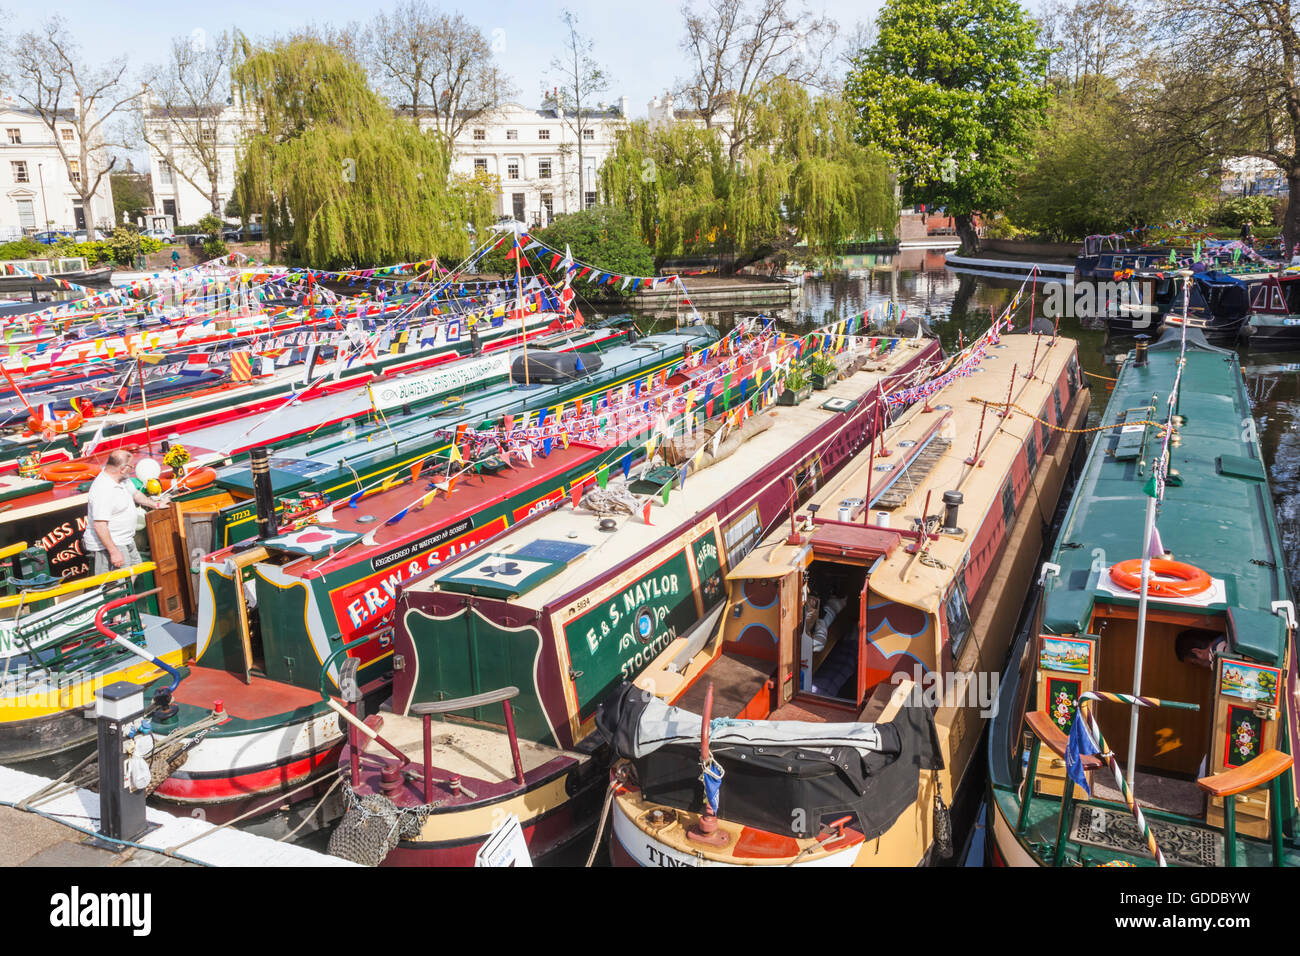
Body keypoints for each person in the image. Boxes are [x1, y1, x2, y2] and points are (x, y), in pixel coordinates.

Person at [84, 450, 166, 575]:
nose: (132, 469)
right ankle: (119, 594)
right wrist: (114, 552)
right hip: (112, 543)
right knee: (117, 582)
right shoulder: (103, 489)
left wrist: (156, 504)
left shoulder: (122, 480)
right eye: (131, 467)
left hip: (125, 539)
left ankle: (126, 593)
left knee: (136, 568)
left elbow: (136, 494)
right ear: (122, 469)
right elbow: (100, 525)